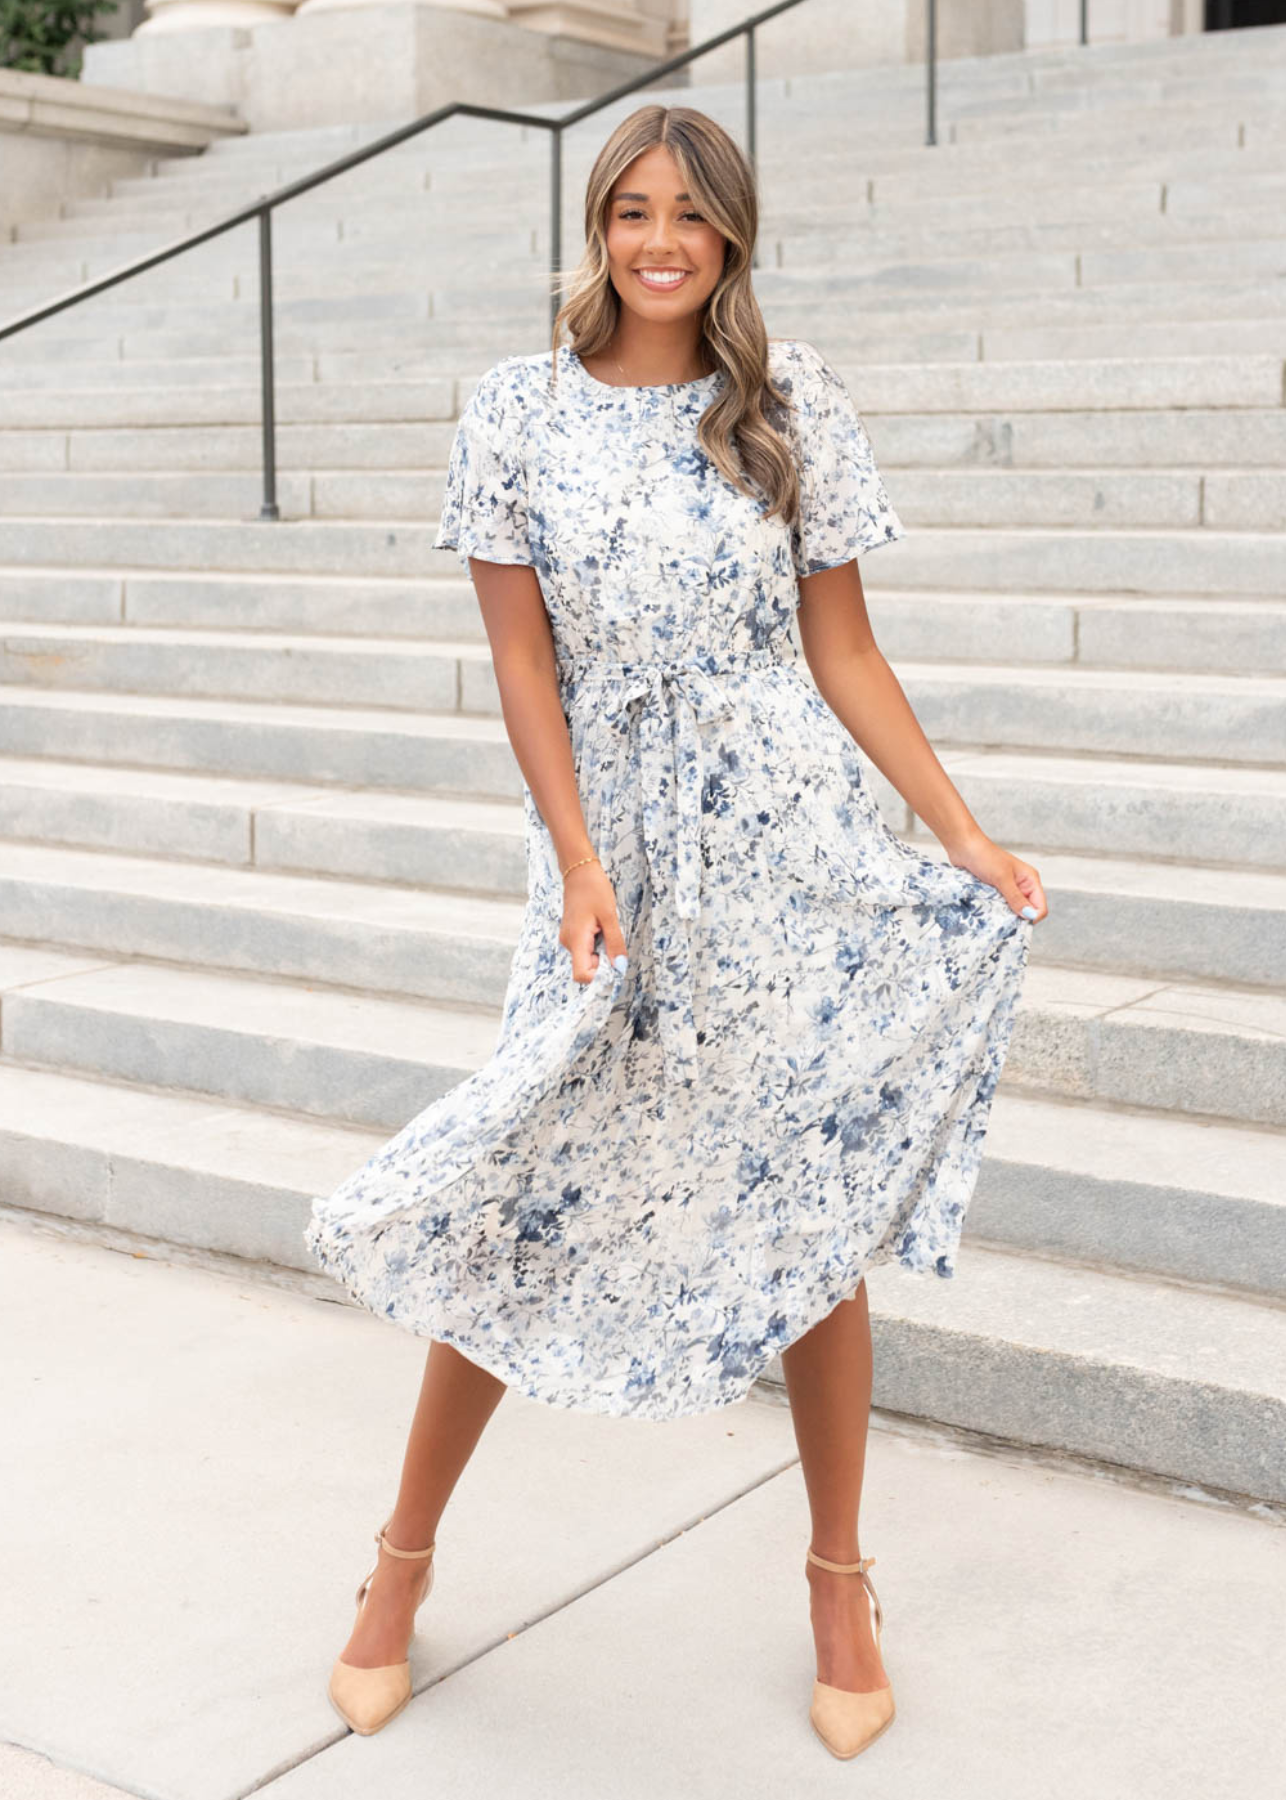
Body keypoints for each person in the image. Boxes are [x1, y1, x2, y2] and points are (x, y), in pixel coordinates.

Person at [305, 102, 1046, 1759]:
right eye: (631, 210)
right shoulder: (514, 412)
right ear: (598, 227)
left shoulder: (787, 412)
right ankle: (395, 1566)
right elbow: (519, 665)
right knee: (519, 1191)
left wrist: (959, 830)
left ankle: (839, 1580)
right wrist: (576, 859)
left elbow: (842, 653)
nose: (658, 240)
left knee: (809, 1196)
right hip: (609, 855)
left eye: (689, 217)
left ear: (729, 238)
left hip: (786, 840)